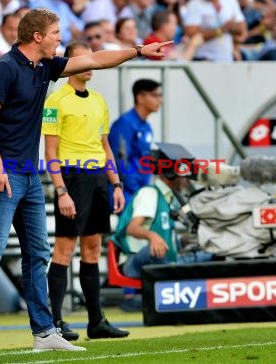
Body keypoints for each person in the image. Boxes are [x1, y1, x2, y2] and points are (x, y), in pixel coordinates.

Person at [0, 8, 171, 356]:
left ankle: (44, 331)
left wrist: (140, 51)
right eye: (55, 33)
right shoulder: (3, 69)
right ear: (37, 36)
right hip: (2, 173)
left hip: (29, 175)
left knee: (38, 252)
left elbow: (96, 59)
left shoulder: (45, 67)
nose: (60, 39)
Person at [42, 41, 129, 342]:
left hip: (98, 181)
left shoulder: (99, 101)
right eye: (84, 58)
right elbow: (50, 152)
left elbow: (105, 147)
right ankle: (53, 323)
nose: (90, 64)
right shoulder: (55, 101)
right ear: (70, 62)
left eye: (93, 59)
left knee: (93, 250)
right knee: (64, 250)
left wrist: (116, 184)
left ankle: (97, 322)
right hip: (72, 178)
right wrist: (61, 190)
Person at [112, 143, 213, 279]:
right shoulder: (149, 193)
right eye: (184, 176)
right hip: (135, 261)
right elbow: (132, 228)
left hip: (167, 261)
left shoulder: (169, 199)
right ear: (171, 174)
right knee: (154, 252)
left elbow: (165, 243)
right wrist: (152, 236)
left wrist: (185, 240)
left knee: (214, 255)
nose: (186, 182)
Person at [109, 79, 161, 205]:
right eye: (154, 95)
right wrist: (136, 191)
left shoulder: (147, 126)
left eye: (160, 95)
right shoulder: (125, 124)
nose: (160, 100)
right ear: (140, 98)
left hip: (141, 190)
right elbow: (120, 161)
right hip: (126, 193)